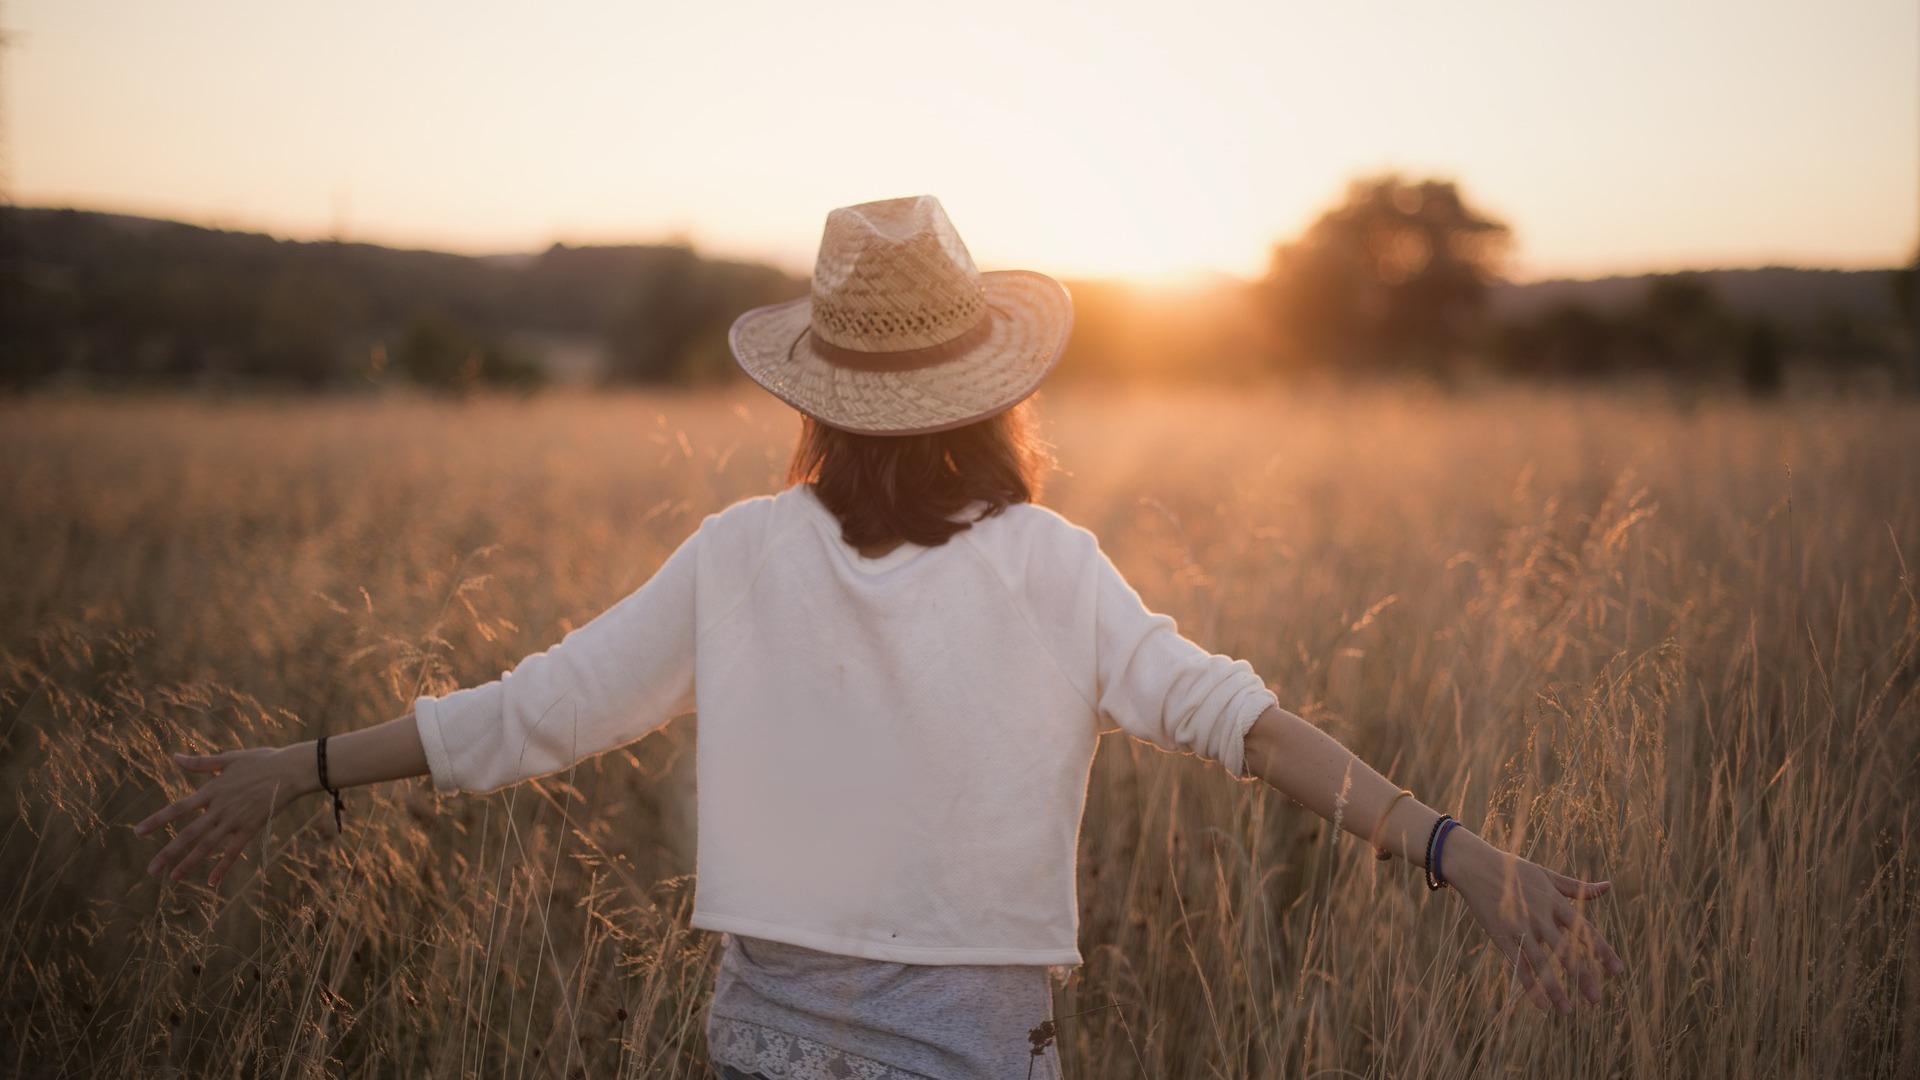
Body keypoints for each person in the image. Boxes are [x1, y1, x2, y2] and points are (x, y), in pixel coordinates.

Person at [134, 195, 1625, 1079]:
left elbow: (531, 713)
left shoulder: (737, 553)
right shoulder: (1056, 567)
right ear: (994, 387)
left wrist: (300, 769)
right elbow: (1250, 728)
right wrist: (1458, 854)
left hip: (764, 1057)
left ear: (818, 393)